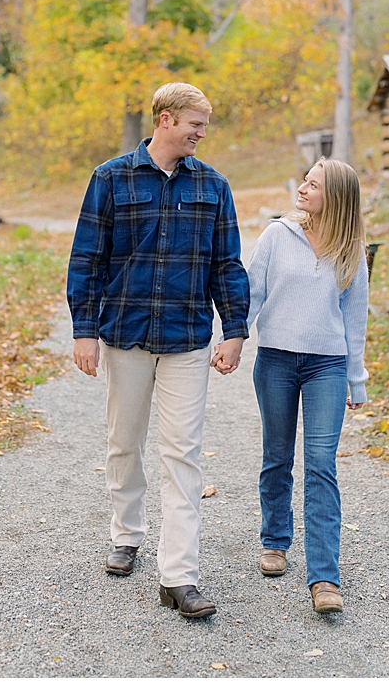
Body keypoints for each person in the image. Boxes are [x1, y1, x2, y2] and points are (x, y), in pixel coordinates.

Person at [68, 82, 249, 620]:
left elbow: (227, 265)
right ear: (165, 119)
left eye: (205, 125)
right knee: (124, 443)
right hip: (124, 334)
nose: (201, 133)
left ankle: (180, 575)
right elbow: (87, 258)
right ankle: (126, 535)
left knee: (183, 455)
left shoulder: (214, 186)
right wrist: (84, 330)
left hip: (186, 340)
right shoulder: (110, 178)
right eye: (195, 123)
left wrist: (235, 329)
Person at [245, 157, 369, 615]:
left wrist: (357, 379)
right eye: (304, 180)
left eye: (313, 185)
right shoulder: (278, 235)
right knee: (277, 456)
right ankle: (275, 540)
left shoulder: (350, 250)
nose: (302, 189)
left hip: (328, 367)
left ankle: (324, 577)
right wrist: (233, 339)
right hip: (276, 359)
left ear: (333, 197)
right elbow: (252, 292)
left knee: (321, 464)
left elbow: (355, 320)